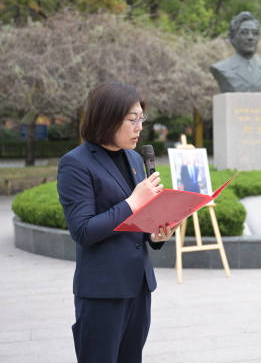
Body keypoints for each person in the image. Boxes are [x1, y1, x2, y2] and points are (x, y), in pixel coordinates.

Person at [57, 81, 178, 363]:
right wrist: (133, 202)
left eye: (142, 119)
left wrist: (155, 235)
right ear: (107, 118)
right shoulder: (75, 163)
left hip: (139, 285)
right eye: (132, 119)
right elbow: (83, 230)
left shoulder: (135, 158)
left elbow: (138, 221)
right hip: (102, 291)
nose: (139, 127)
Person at [210, 11, 261, 93]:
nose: (250, 37)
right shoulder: (222, 68)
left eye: (255, 33)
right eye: (244, 33)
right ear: (232, 37)